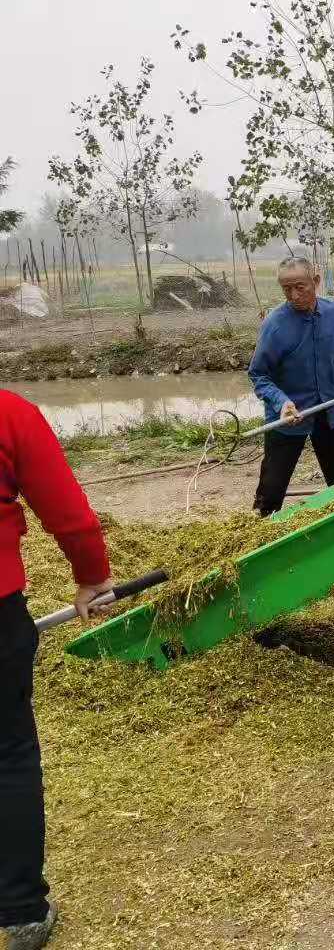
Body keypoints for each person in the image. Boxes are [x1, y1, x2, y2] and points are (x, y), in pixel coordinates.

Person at [1, 390, 114, 950]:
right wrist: (92, 575)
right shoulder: (8, 413)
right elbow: (68, 514)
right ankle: (20, 910)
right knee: (8, 752)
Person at [248, 257, 334, 516]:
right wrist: (281, 403)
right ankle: (260, 534)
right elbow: (259, 374)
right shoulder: (275, 324)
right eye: (286, 289)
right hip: (289, 416)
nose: (293, 295)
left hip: (331, 410)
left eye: (300, 287)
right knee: (271, 491)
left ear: (315, 282)